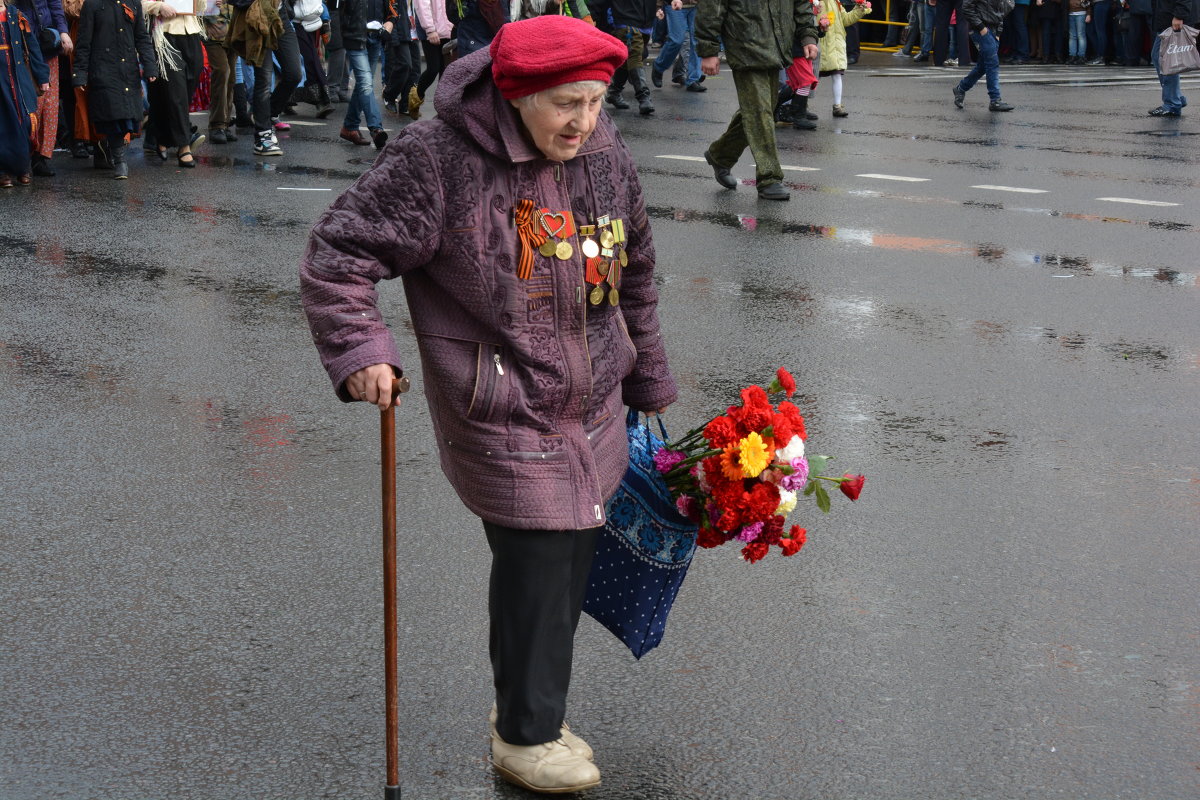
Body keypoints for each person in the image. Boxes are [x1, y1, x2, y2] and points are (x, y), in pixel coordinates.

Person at [299, 14, 677, 795]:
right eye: (563, 104)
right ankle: (525, 734)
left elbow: (634, 269)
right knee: (539, 559)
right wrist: (364, 351)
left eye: (595, 101)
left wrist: (648, 381)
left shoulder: (604, 151)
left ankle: (534, 710)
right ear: (516, 95)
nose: (583, 122)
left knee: (567, 562)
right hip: (503, 399)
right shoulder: (437, 160)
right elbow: (339, 253)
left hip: (595, 401)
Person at [696, 0, 818, 200]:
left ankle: (720, 155)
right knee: (760, 112)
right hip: (745, 46)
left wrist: (808, 36)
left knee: (759, 110)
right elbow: (712, 7)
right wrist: (708, 50)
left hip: (776, 47)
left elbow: (801, 3)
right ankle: (769, 178)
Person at [72, 0, 159, 178]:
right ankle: (120, 161)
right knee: (113, 116)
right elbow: (83, 42)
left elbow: (142, 37)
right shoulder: (93, 4)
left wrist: (150, 66)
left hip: (127, 69)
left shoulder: (133, 3)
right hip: (103, 69)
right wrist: (80, 74)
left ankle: (110, 149)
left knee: (128, 117)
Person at [143, 0, 207, 168]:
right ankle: (184, 147)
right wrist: (158, 7)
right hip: (164, 34)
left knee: (183, 90)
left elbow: (200, 8)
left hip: (191, 32)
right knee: (176, 92)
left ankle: (162, 136)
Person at [12, 0, 69, 177]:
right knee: (30, 101)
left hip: (48, 44)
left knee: (50, 104)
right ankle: (24, 154)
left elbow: (56, 7)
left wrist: (64, 32)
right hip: (23, 45)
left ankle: (41, 156)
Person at [0, 0, 50, 187]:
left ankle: (23, 167)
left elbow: (33, 46)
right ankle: (4, 172)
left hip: (18, 76)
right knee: (4, 123)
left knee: (26, 121)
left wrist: (42, 77)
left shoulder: (17, 15)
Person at [337, 0, 388, 147]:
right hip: (354, 34)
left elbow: (392, 6)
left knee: (362, 84)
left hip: (376, 35)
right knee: (366, 83)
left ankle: (349, 127)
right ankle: (376, 128)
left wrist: (389, 23)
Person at [952, 0, 1016, 111]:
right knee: (992, 63)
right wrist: (981, 28)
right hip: (980, 29)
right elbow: (966, 7)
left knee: (982, 67)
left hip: (992, 30)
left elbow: (1002, 11)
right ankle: (995, 100)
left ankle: (961, 88)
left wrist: (998, 33)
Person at [819, 0, 870, 118]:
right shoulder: (815, 2)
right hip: (821, 44)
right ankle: (801, 107)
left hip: (836, 45)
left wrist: (859, 9)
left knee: (837, 74)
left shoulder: (836, 2)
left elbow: (846, 20)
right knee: (813, 78)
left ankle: (837, 106)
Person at [1147, 0, 1196, 116]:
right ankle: (1175, 98)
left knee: (1166, 61)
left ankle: (1172, 103)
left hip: (1172, 18)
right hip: (1168, 17)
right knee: (1160, 58)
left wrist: (1179, 15)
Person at [404, 0, 450, 120]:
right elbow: (422, 6)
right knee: (433, 69)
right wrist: (430, 29)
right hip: (430, 29)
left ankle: (443, 110)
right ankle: (415, 99)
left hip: (448, 28)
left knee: (445, 70)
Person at [652, 0, 703, 92]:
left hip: (697, 5)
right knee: (676, 40)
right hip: (674, 4)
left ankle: (693, 79)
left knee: (697, 41)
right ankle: (659, 67)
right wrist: (658, 6)